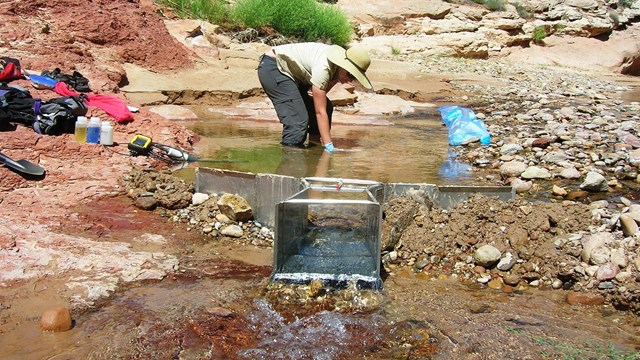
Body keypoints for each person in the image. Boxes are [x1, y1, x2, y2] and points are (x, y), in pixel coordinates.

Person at [257, 42, 373, 153]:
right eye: (350, 74)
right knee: (297, 122)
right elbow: (319, 112)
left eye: (354, 77)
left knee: (327, 107)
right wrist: (328, 144)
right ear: (343, 65)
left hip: (294, 75)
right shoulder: (323, 68)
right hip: (274, 67)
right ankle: (290, 162)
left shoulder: (337, 69)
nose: (350, 80)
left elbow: (319, 100)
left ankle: (314, 152)